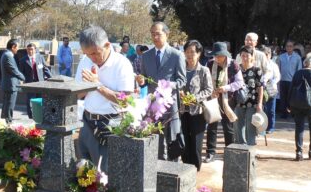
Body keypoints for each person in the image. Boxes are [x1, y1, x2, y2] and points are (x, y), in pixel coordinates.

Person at [75, 26, 134, 173]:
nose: (92, 58)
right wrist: (86, 86)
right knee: (83, 171)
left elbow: (125, 100)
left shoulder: (122, 64)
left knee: (107, 174)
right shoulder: (85, 61)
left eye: (96, 53)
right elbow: (76, 94)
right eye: (88, 54)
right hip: (87, 121)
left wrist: (97, 85)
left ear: (107, 45)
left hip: (111, 124)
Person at [135, 21, 186, 160]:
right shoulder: (145, 56)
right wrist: (141, 81)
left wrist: (169, 85)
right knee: (155, 141)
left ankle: (173, 171)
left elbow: (182, 81)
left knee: (173, 142)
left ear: (166, 34)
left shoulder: (177, 55)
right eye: (152, 34)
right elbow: (145, 79)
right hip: (153, 106)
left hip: (170, 105)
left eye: (158, 34)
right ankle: (155, 170)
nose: (155, 37)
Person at [204, 42, 244, 163]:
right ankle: (210, 152)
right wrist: (212, 91)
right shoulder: (210, 64)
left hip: (228, 100)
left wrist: (225, 88)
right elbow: (205, 79)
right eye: (216, 55)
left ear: (225, 55)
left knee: (228, 127)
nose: (218, 58)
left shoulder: (234, 65)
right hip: (213, 98)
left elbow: (239, 83)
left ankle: (229, 151)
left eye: (220, 55)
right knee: (212, 126)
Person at [179, 40, 213, 171]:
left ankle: (196, 167)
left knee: (196, 141)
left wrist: (195, 97)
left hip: (197, 111)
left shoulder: (203, 70)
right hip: (182, 110)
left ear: (199, 54)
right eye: (187, 51)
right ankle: (185, 168)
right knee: (184, 139)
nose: (189, 54)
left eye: (192, 52)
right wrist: (179, 92)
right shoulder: (181, 68)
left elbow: (208, 89)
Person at [287, 52, 311, 161]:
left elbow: (291, 89)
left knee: (299, 127)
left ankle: (299, 152)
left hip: (297, 104)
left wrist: (288, 104)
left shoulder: (297, 73)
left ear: (305, 62)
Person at [234, 46, 264, 145]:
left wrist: (259, 103)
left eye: (247, 55)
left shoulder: (257, 70)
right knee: (238, 125)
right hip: (238, 102)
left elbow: (260, 87)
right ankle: (240, 147)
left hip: (253, 102)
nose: (245, 58)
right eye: (243, 55)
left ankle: (250, 148)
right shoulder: (236, 69)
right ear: (240, 56)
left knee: (250, 126)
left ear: (252, 56)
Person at [19, 43, 52, 119]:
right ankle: (31, 116)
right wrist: (21, 81)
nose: (30, 51)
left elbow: (45, 69)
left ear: (35, 50)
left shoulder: (40, 57)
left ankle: (40, 115)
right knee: (30, 99)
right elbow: (21, 73)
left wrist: (51, 78)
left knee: (40, 99)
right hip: (30, 83)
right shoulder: (23, 60)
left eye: (32, 49)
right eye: (28, 49)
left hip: (40, 82)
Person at [0, 39, 25, 123]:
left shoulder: (6, 54)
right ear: (13, 47)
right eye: (17, 47)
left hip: (9, 85)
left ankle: (4, 122)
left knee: (7, 105)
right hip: (10, 85)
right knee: (9, 105)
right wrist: (23, 77)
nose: (18, 49)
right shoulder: (8, 55)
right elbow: (13, 70)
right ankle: (8, 122)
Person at [277, 40, 302, 118]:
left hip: (292, 81)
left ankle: (292, 113)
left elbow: (299, 70)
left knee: (291, 98)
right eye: (287, 46)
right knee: (283, 98)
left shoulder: (297, 57)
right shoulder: (281, 57)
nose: (289, 48)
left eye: (290, 46)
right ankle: (284, 113)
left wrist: (297, 81)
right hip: (282, 80)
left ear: (293, 47)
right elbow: (278, 69)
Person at [260, 46, 280, 134]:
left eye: (267, 54)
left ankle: (271, 127)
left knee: (271, 110)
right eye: (263, 54)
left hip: (271, 88)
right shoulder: (258, 63)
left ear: (270, 55)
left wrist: (270, 82)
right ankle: (261, 128)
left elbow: (277, 77)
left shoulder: (273, 65)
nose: (265, 56)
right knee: (261, 109)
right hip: (260, 87)